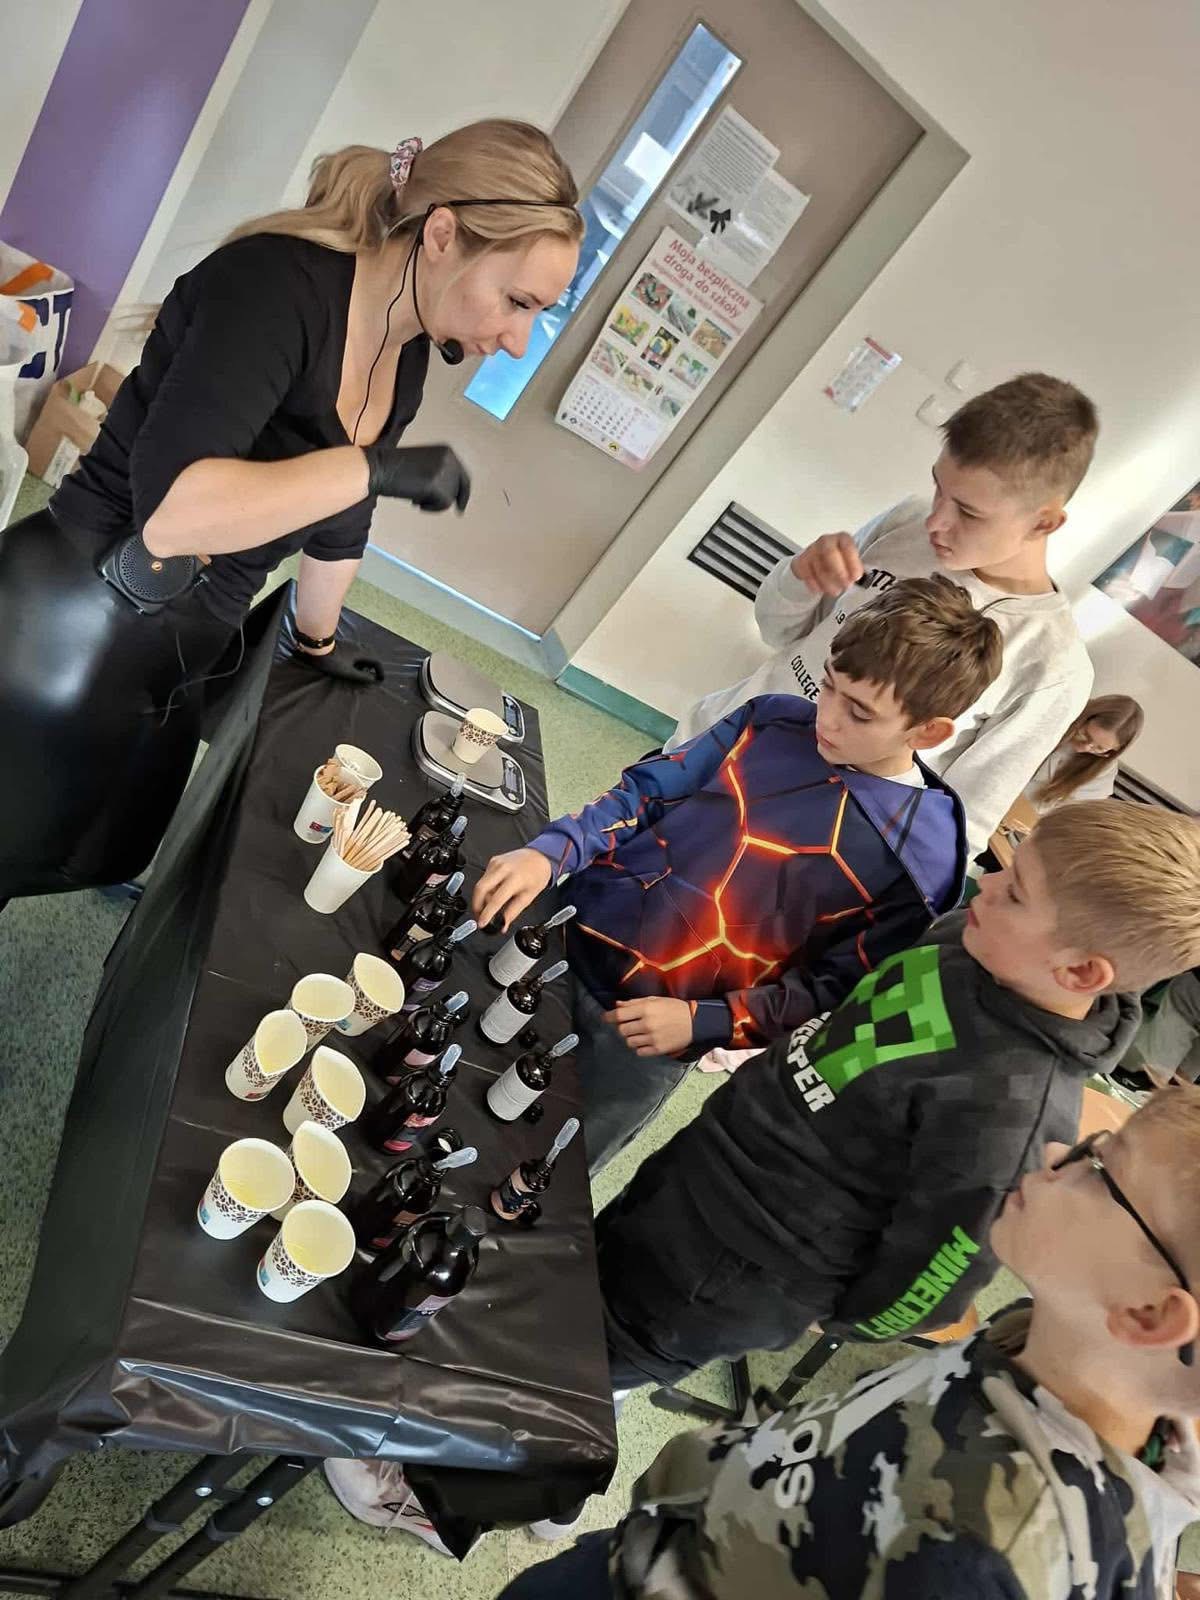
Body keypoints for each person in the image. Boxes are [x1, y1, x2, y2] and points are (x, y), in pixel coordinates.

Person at [0, 121, 582, 900]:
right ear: (442, 234)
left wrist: (317, 637)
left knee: (110, 847)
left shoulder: (406, 353)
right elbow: (173, 517)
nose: (518, 339)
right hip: (76, 608)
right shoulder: (276, 287)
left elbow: (341, 517)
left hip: (186, 635)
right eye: (517, 302)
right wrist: (372, 467)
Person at [496, 1085, 1200, 1600]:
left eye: (1099, 1166)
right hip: (674, 1545)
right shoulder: (1038, 1342)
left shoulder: (987, 1558)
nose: (1055, 1151)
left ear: (1148, 1316)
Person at [592, 800, 1200, 1392]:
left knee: (589, 1361)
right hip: (708, 1160)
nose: (988, 885)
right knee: (580, 1264)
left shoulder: (1014, 1112)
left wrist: (830, 1317)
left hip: (739, 1269)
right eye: (1009, 867)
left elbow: (938, 1279)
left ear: (1081, 973)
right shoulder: (973, 937)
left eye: (1016, 893)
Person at [473, 577, 1002, 1172]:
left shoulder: (922, 862)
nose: (828, 719)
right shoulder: (771, 720)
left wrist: (709, 1023)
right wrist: (552, 852)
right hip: (565, 933)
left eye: (859, 712)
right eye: (829, 685)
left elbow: (833, 988)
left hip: (653, 1034)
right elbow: (647, 793)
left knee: (543, 1173)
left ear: (928, 731)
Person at [666, 373, 1099, 859]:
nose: (936, 521)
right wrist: (799, 576)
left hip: (779, 844)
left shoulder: (1053, 664)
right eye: (938, 488)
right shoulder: (906, 523)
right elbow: (778, 633)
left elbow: (959, 827)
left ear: (1044, 521)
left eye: (968, 512)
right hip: (699, 756)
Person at [1022, 693, 1144, 812]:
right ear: (1083, 717)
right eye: (1084, 735)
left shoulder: (1103, 770)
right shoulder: (1053, 714)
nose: (1084, 748)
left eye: (1099, 749)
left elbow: (1074, 813)